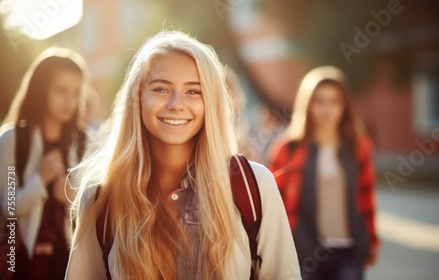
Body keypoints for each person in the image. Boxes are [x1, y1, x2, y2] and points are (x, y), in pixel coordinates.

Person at [65, 31, 300, 280]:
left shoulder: (254, 186)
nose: (176, 104)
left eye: (193, 92)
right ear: (138, 97)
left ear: (211, 101)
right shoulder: (100, 197)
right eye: (161, 89)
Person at [268, 66, 379, 280]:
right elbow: (274, 205)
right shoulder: (288, 148)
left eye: (334, 102)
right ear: (308, 105)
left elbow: (366, 198)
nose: (327, 109)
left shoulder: (358, 146)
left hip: (349, 252)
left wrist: (371, 242)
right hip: (303, 253)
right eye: (319, 102)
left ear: (344, 106)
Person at [0, 47, 90, 280]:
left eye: (75, 91)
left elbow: (96, 213)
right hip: (20, 264)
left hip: (70, 264)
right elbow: (8, 208)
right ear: (41, 89)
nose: (69, 100)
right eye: (61, 90)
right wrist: (40, 180)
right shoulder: (12, 140)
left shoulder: (86, 141)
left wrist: (71, 198)